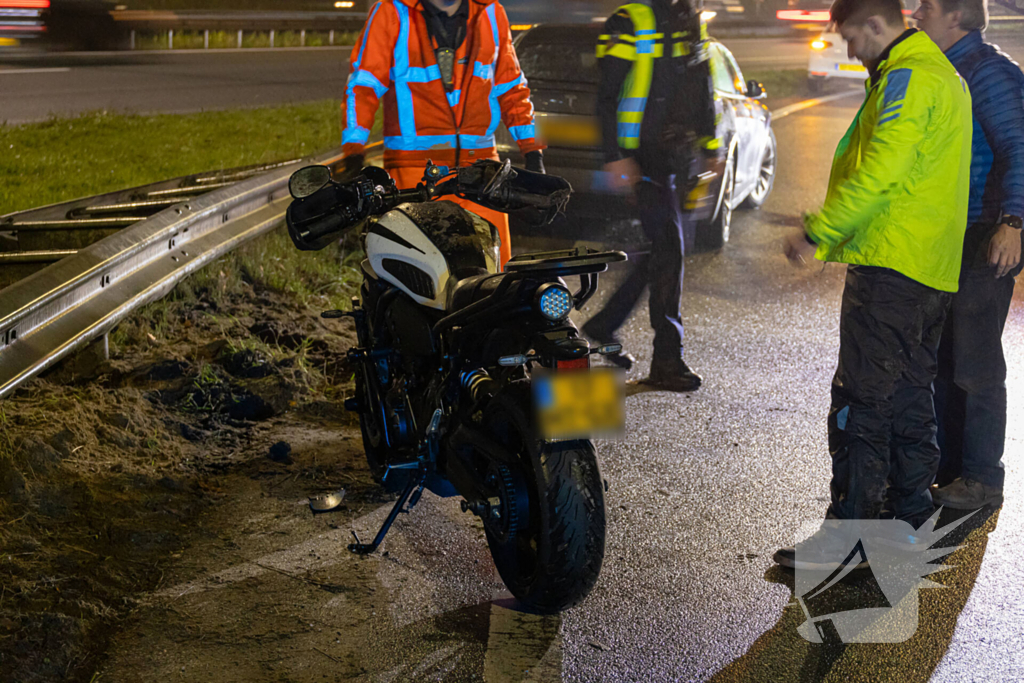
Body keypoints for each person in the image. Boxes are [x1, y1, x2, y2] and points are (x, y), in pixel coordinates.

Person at [774, 0, 972, 568]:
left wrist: (820, 230)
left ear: (877, 26)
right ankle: (908, 522)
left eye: (851, 37)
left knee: (861, 402)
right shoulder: (938, 70)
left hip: (891, 266)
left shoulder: (907, 76)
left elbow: (882, 168)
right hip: (929, 268)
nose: (848, 49)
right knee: (909, 394)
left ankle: (850, 540)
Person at [913, 0, 1024, 510]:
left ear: (956, 15)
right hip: (951, 234)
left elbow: (1019, 148)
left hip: (986, 231)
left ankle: (982, 478)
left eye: (929, 6)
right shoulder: (949, 69)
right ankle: (952, 468)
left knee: (975, 363)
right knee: (943, 358)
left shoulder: (989, 71)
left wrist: (1013, 222)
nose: (917, 12)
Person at [341, 0, 546, 269]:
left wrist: (532, 151)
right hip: (414, 177)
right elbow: (364, 87)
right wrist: (354, 151)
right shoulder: (392, 12)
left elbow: (512, 89)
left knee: (493, 282)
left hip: (481, 174)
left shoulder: (491, 13)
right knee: (419, 283)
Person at [583, 0, 718, 392]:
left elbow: (701, 84)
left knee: (663, 251)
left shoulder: (690, 21)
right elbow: (607, 95)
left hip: (672, 159)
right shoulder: (631, 21)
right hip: (639, 158)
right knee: (669, 250)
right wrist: (615, 156)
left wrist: (711, 145)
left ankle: (605, 323)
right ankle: (667, 360)